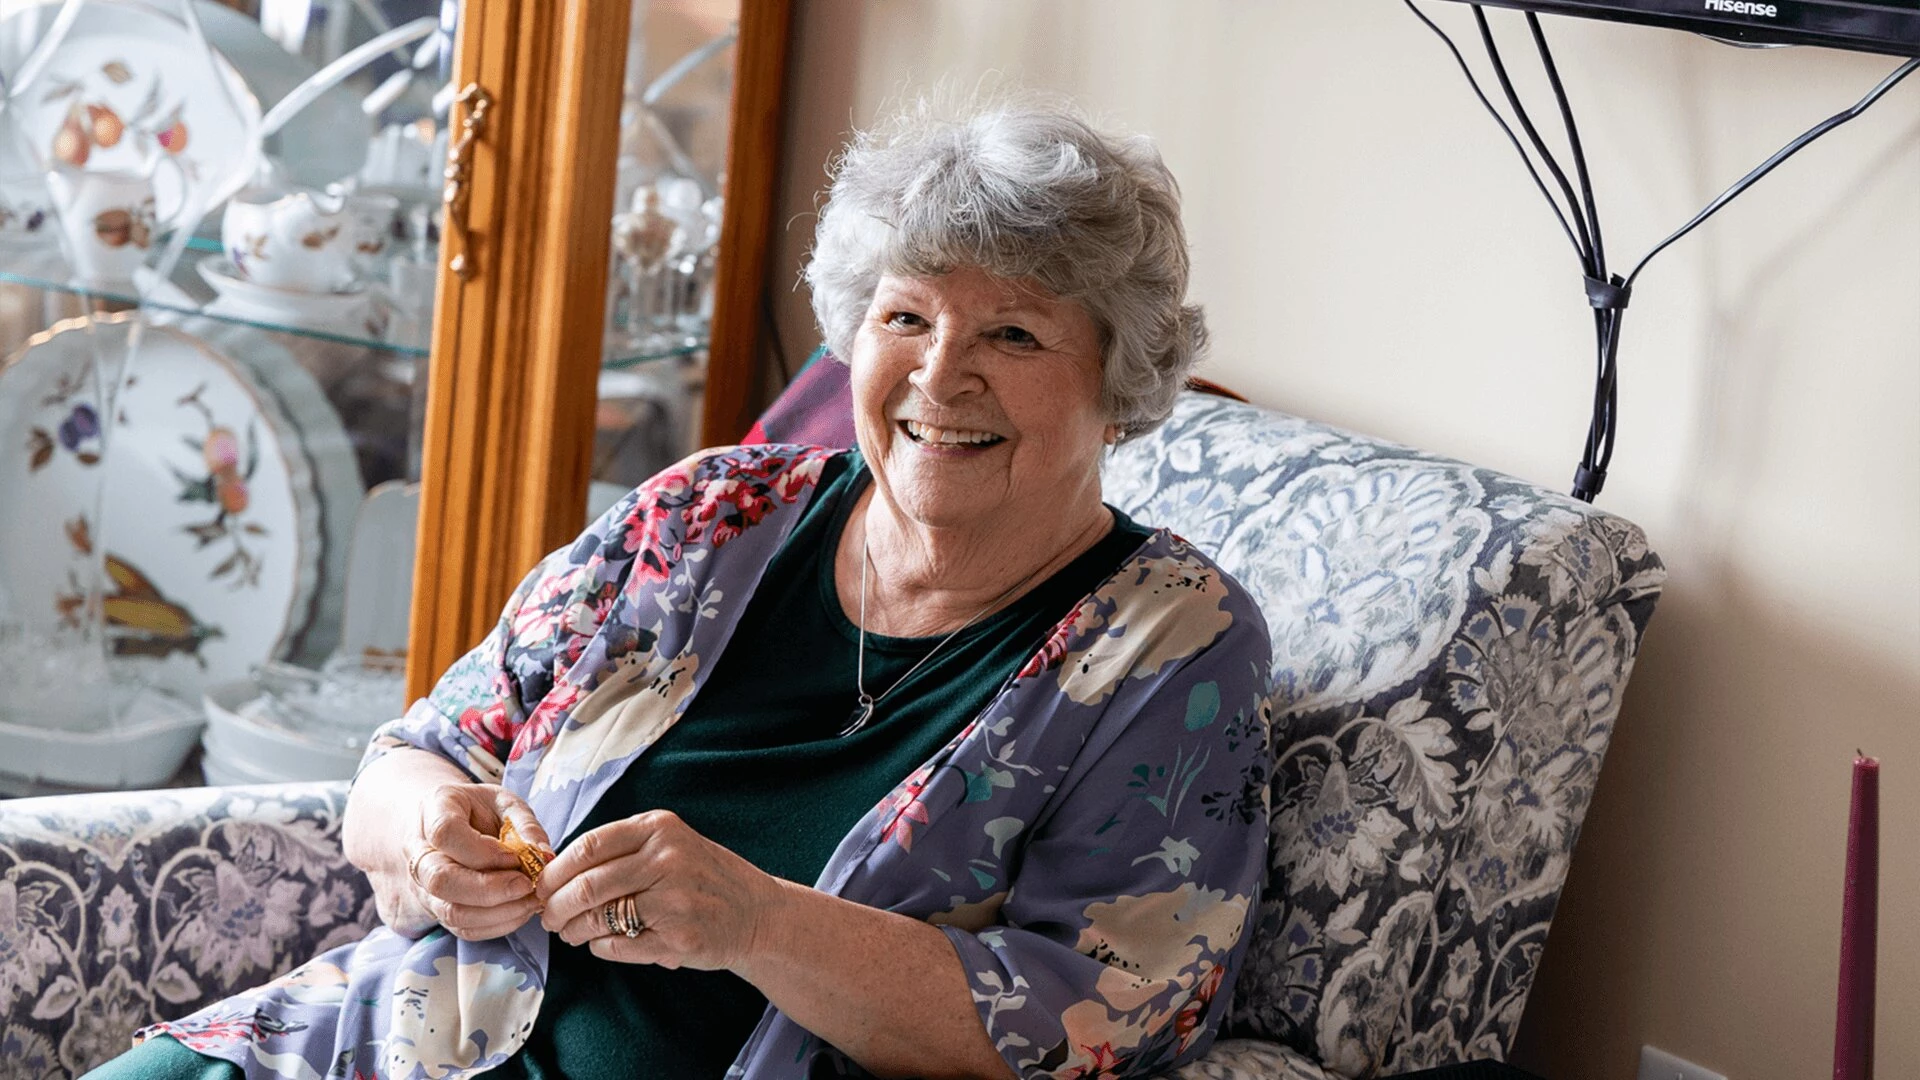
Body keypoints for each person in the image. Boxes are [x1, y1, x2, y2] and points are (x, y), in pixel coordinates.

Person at [90, 96, 1273, 1080]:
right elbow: (421, 751)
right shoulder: (713, 512)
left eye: (1014, 335)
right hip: (384, 1041)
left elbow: (1103, 1019)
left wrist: (759, 924)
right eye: (904, 315)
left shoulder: (1171, 644)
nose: (939, 374)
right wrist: (428, 834)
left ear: (1119, 384)